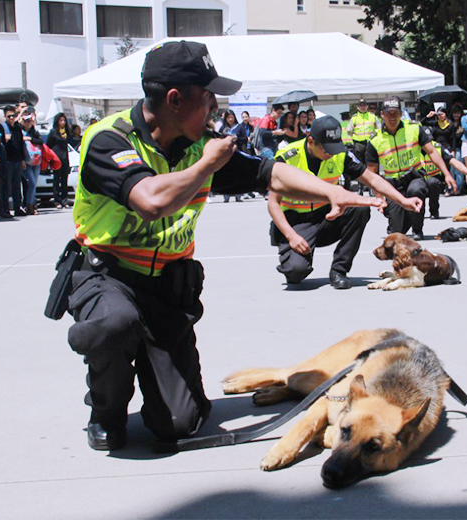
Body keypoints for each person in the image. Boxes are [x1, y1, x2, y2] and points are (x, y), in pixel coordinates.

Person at [65, 41, 380, 451]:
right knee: (114, 323)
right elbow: (152, 202)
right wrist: (206, 165)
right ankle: (106, 410)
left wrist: (330, 191)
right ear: (175, 100)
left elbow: (271, 174)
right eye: (208, 95)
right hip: (108, 277)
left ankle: (157, 369)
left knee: (181, 422)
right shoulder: (110, 139)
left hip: (165, 291)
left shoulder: (200, 146)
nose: (216, 104)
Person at [269, 116, 422, 289]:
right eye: (326, 150)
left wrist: (403, 200)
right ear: (311, 141)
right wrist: (291, 236)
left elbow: (372, 178)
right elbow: (273, 204)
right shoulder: (288, 158)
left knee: (360, 210)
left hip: (328, 216)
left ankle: (339, 270)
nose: (331, 154)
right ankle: (294, 255)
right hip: (297, 222)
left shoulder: (339, 155)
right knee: (296, 272)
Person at [364, 96, 459, 240]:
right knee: (398, 230)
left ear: (401, 114)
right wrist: (379, 197)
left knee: (416, 190)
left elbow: (432, 151)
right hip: (392, 184)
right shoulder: (374, 140)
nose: (392, 117)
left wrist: (447, 174)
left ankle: (417, 230)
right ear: (382, 114)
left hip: (414, 177)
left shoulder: (414, 129)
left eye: (395, 113)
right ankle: (400, 220)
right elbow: (372, 173)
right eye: (388, 113)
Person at [47, 113, 73, 208]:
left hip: (65, 158)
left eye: (64, 121)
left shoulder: (67, 132)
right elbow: (48, 145)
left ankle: (64, 200)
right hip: (56, 158)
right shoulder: (53, 132)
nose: (62, 122)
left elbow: (70, 142)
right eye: (60, 120)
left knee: (64, 180)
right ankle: (57, 200)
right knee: (56, 180)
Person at [346, 98, 378, 165]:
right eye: (361, 106)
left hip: (370, 142)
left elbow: (379, 128)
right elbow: (349, 130)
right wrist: (356, 136)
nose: (363, 107)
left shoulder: (373, 116)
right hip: (359, 144)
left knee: (372, 162)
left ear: (367, 106)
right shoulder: (354, 118)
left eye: (364, 105)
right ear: (358, 107)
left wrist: (374, 134)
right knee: (359, 163)